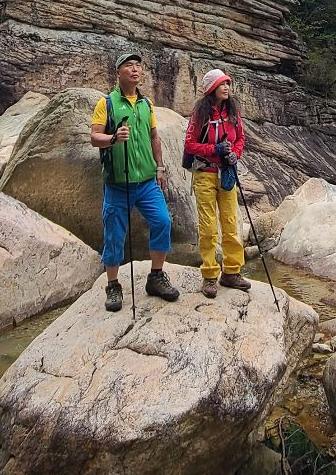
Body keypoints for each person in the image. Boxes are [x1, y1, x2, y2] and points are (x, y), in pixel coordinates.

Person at [90, 51, 180, 313]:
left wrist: (160, 167)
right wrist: (113, 138)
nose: (135, 69)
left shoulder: (146, 104)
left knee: (162, 221)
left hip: (147, 181)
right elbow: (94, 137)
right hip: (118, 183)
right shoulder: (107, 103)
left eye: (138, 66)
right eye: (128, 65)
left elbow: (154, 137)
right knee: (114, 235)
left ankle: (156, 276)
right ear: (118, 72)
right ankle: (113, 285)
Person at [183, 68, 251, 299]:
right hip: (205, 173)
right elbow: (190, 145)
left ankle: (231, 272)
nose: (226, 87)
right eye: (222, 84)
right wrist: (215, 149)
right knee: (208, 226)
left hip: (226, 173)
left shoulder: (232, 111)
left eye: (228, 83)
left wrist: (235, 155)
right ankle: (210, 274)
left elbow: (240, 138)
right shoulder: (201, 113)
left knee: (231, 222)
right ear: (211, 88)